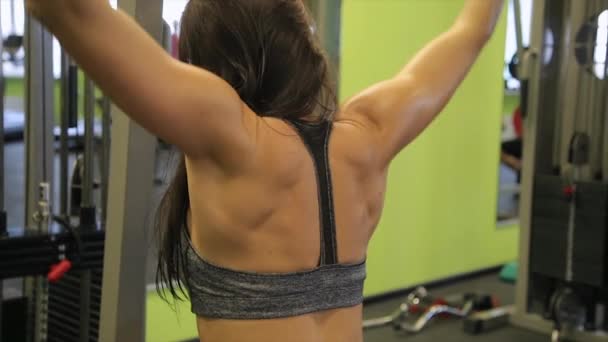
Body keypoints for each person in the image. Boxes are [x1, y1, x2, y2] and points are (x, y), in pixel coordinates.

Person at [26, 0, 504, 341]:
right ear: (302, 47)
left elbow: (64, 8)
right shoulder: (371, 135)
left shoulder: (231, 139)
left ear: (207, 66)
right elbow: (472, 30)